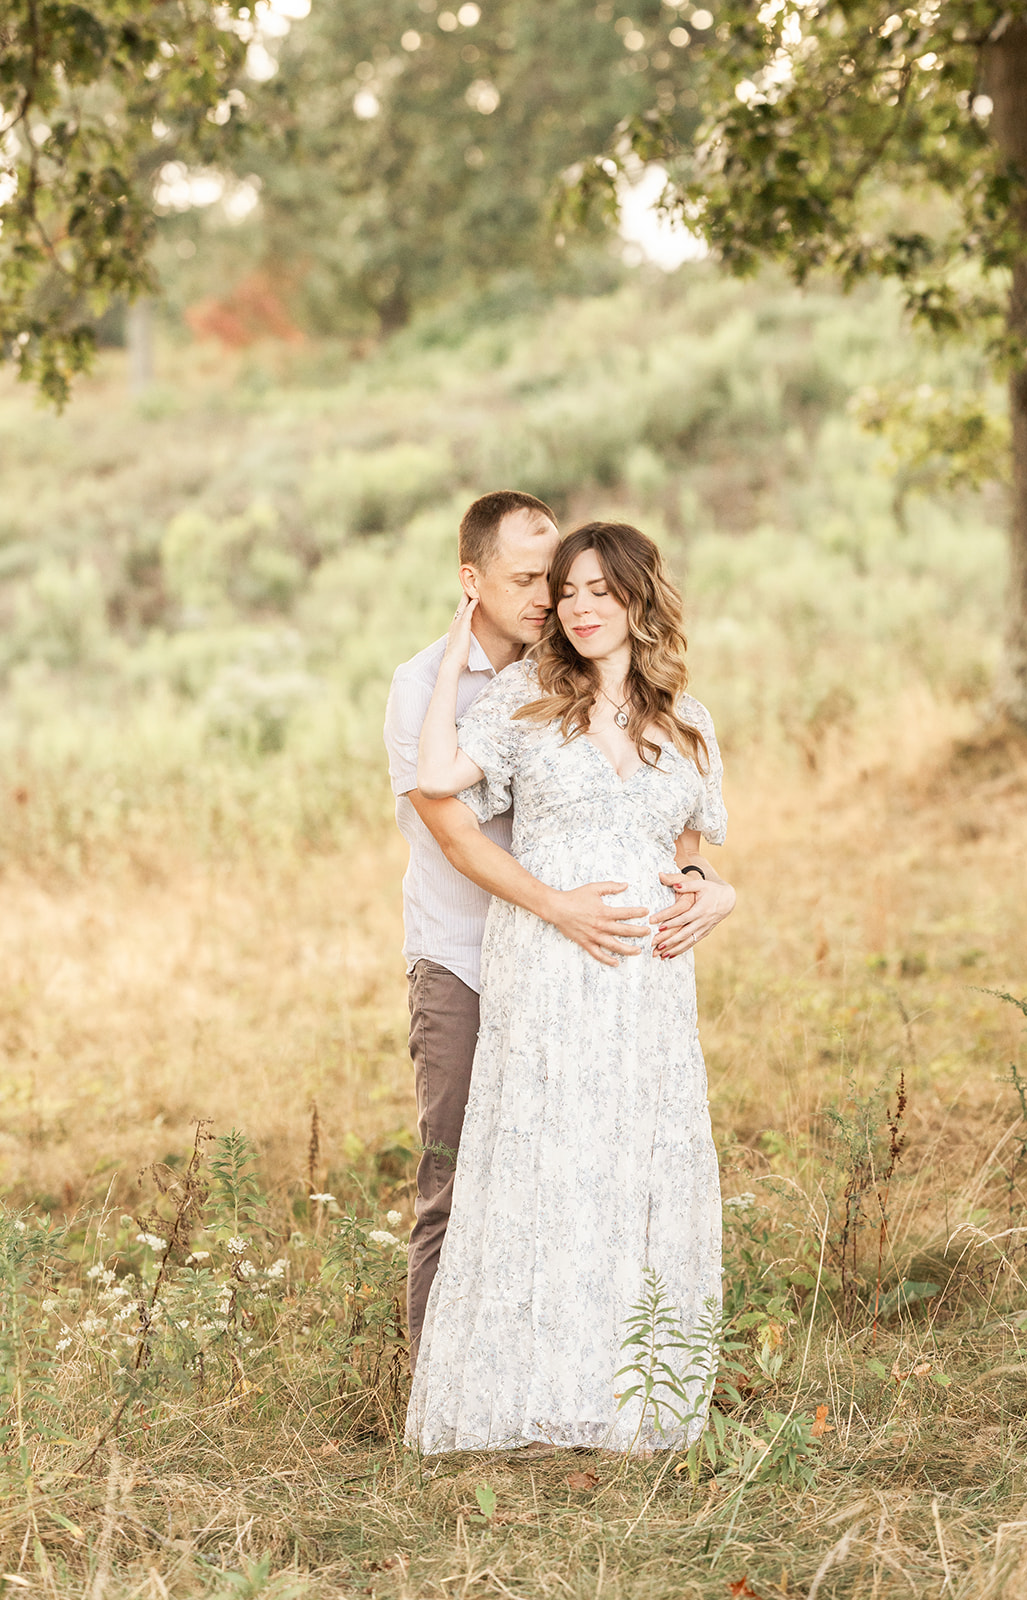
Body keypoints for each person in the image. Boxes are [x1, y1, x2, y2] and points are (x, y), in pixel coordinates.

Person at [406, 520, 735, 1455]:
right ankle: (531, 1388)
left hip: (649, 982)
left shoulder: (688, 720)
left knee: (631, 1159)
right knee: (550, 1159)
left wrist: (720, 897)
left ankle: (631, 1391)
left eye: (601, 590)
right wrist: (457, 639)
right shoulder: (523, 697)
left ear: (638, 597)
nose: (582, 607)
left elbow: (689, 862)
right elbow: (435, 781)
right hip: (549, 963)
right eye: (570, 592)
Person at [383, 491, 661, 1372]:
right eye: (524, 578)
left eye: (557, 576)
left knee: (567, 1171)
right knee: (456, 1179)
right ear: (470, 581)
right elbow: (455, 834)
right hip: (466, 963)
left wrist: (701, 884)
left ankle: (555, 1369)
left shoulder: (574, 667)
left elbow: (658, 802)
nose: (548, 596)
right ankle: (437, 1387)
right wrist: (560, 907)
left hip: (566, 967)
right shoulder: (422, 687)